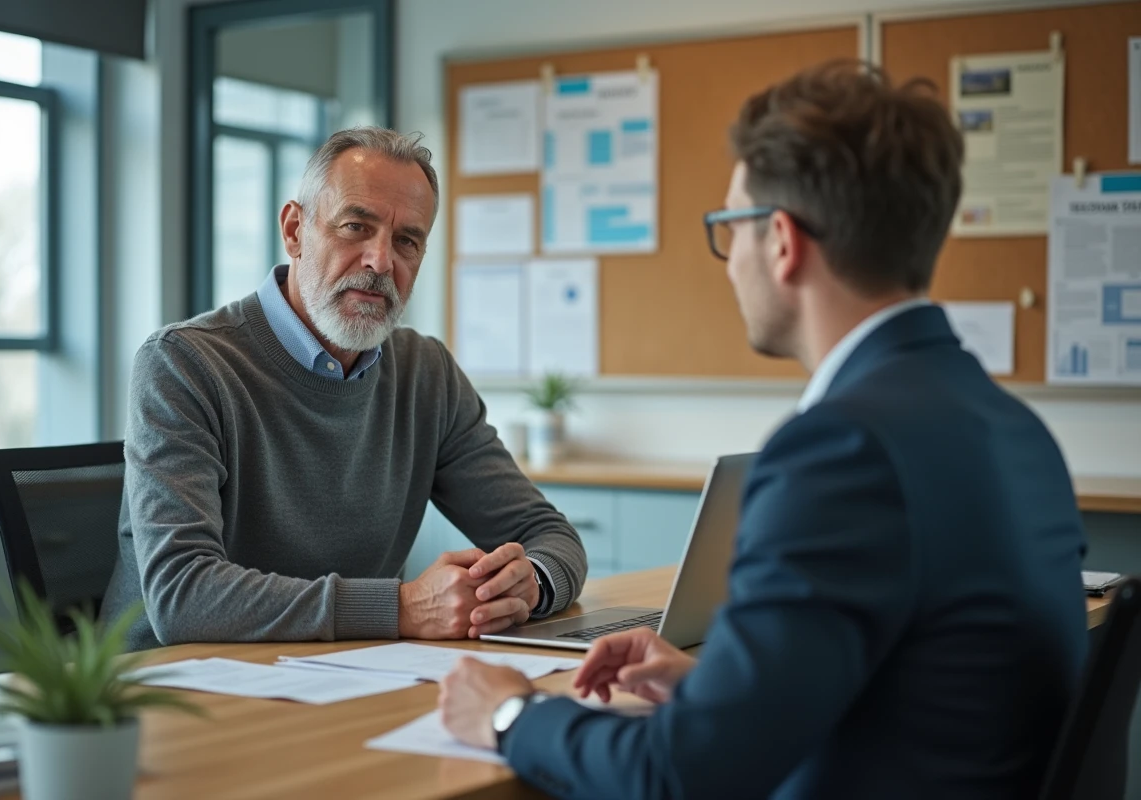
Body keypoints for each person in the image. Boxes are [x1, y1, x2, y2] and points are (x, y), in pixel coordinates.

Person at [438, 61, 1087, 799]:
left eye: (728, 227)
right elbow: (933, 691)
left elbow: (679, 776)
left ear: (781, 241)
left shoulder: (841, 449)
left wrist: (510, 713)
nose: (729, 260)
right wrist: (719, 691)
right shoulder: (1014, 429)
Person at [102, 128, 587, 652]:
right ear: (294, 230)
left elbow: (549, 535)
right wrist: (399, 608)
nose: (381, 261)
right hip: (171, 694)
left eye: (407, 241)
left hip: (342, 677)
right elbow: (183, 598)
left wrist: (527, 584)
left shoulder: (427, 375)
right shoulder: (184, 364)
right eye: (356, 226)